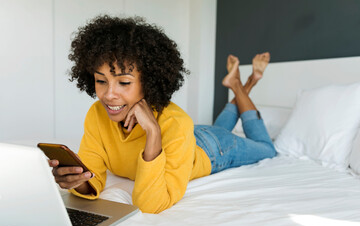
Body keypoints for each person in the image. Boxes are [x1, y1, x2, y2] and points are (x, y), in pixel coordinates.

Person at [48, 15, 276, 214]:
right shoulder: (97, 114)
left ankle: (242, 85)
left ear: (149, 82)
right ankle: (240, 84)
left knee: (267, 148)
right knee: (217, 127)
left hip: (213, 149)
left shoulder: (176, 123)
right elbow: (93, 178)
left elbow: (151, 204)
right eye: (101, 81)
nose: (109, 95)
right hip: (190, 137)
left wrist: (153, 133)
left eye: (124, 82)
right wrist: (76, 182)